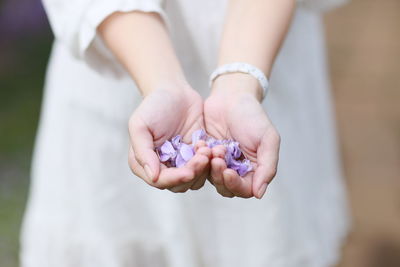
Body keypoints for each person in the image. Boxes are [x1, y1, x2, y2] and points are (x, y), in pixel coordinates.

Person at [21, 0, 349, 266]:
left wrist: (240, 83)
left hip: (264, 50)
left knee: (262, 241)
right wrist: (162, 83)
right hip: (116, 67)